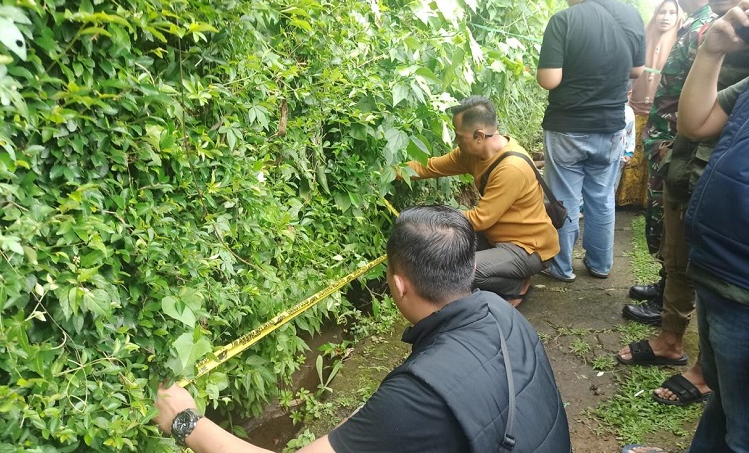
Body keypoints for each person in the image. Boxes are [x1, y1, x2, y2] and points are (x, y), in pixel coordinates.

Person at [153, 206, 573, 452]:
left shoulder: (419, 396)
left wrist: (187, 421)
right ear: (471, 267)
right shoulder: (505, 315)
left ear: (398, 283)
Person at [622, 3, 749, 452]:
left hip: (741, 285)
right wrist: (712, 50)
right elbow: (696, 122)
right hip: (721, 271)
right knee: (726, 406)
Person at [399, 96, 559, 307]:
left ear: (479, 136)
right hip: (497, 235)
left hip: (528, 247)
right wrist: (396, 171)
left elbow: (479, 219)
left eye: (458, 136)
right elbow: (430, 167)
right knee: (447, 253)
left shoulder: (511, 168)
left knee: (458, 274)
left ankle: (514, 287)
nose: (456, 141)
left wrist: (431, 221)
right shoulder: (471, 154)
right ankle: (504, 272)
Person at [536, 0, 645, 282]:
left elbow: (549, 79)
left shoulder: (564, 20)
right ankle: (600, 264)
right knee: (602, 197)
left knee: (564, 199)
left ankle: (562, 267)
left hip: (568, 126)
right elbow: (636, 71)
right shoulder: (630, 15)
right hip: (610, 126)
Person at [626, 0, 715, 314]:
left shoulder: (709, 27)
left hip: (682, 147)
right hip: (668, 146)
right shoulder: (694, 24)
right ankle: (664, 286)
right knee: (663, 223)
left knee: (674, 229)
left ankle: (670, 305)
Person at [615, 0, 683, 207]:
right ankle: (625, 199)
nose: (666, 17)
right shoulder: (643, 36)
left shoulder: (682, 40)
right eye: (662, 12)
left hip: (663, 112)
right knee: (630, 152)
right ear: (656, 14)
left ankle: (647, 201)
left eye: (672, 13)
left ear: (678, 17)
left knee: (654, 155)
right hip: (635, 107)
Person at [614, 82, 636, 195]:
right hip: (601, 157)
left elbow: (630, 134)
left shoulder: (629, 112)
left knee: (612, 185)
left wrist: (629, 153)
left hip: (619, 157)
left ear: (629, 93)